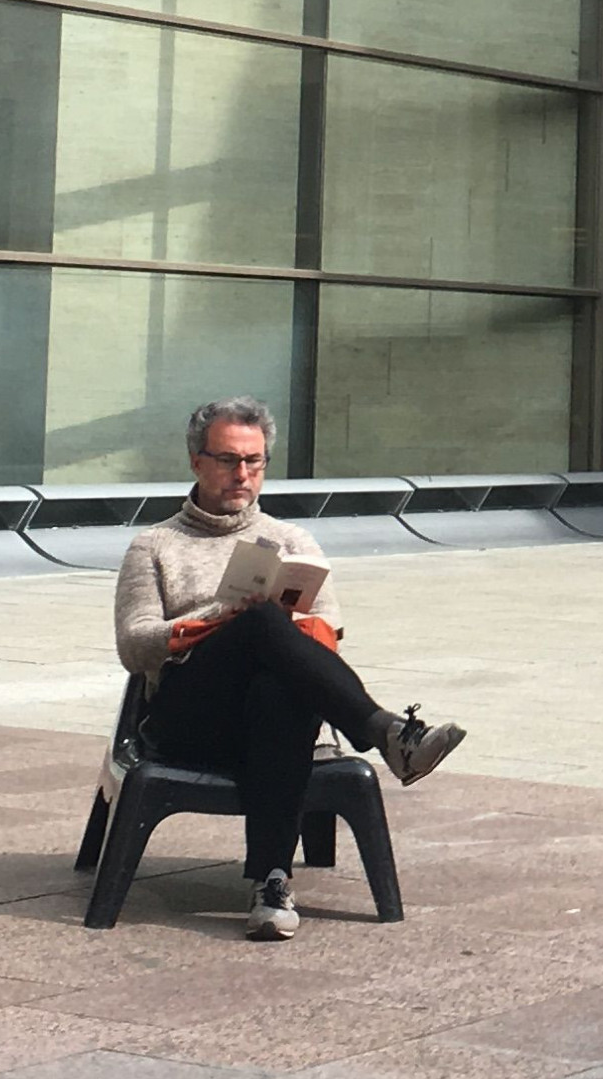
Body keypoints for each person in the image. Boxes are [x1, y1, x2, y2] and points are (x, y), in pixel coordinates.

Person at [113, 396, 466, 940]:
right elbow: (134, 647)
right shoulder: (155, 545)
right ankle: (386, 732)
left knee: (281, 687)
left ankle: (272, 883)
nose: (243, 474)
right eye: (229, 460)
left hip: (270, 715)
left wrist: (284, 627)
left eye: (255, 462)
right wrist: (216, 622)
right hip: (190, 717)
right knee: (254, 623)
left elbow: (328, 639)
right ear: (196, 462)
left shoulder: (292, 541)